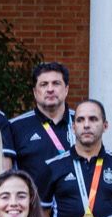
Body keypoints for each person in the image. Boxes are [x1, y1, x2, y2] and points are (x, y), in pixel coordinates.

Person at [10, 61, 75, 189]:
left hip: (76, 206)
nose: (50, 89)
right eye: (44, 84)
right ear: (35, 92)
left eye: (56, 83)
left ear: (66, 89)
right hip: (34, 206)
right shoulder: (15, 127)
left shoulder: (83, 121)